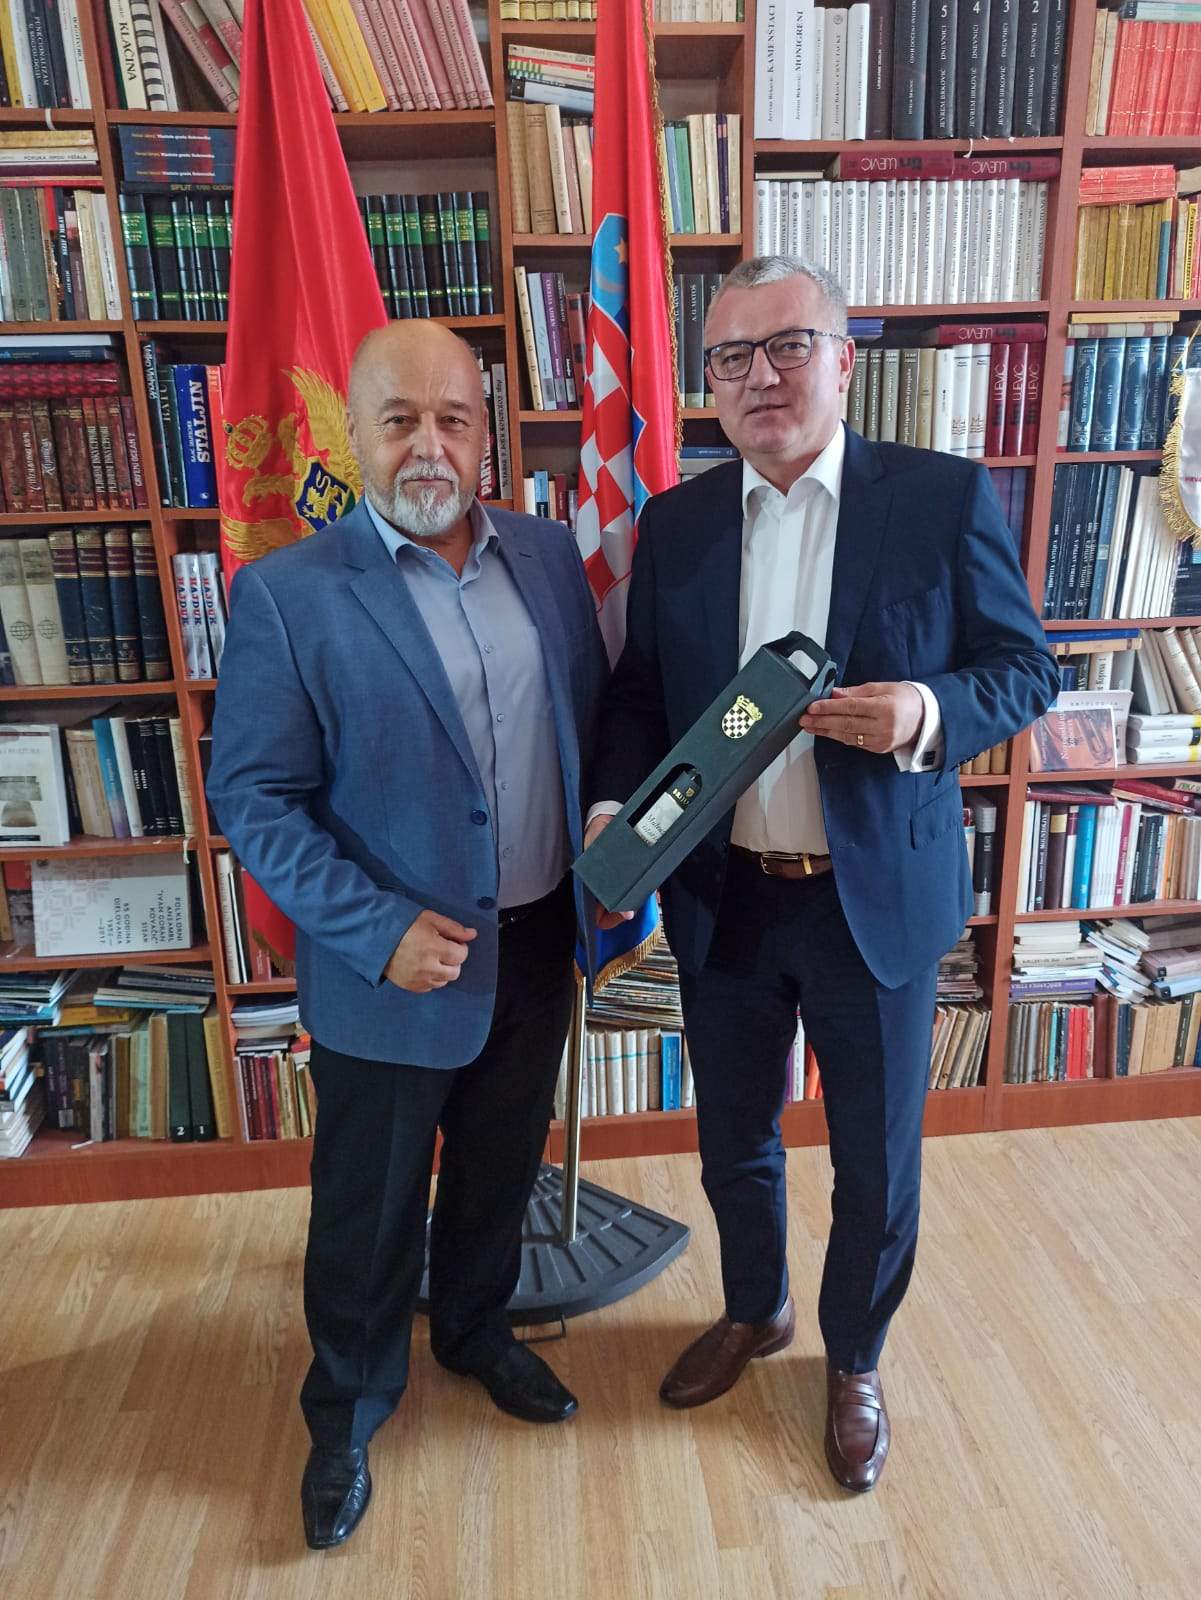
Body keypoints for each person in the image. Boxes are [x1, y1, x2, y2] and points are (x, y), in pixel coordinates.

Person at [585, 257, 1058, 1493]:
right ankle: (756, 1307)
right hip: (726, 896)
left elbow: (1024, 669)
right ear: (709, 384)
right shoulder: (677, 522)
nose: (761, 377)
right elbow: (639, 696)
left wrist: (924, 712)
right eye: (731, 357)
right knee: (733, 1139)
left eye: (788, 345)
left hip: (871, 903)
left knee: (874, 1161)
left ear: (845, 360)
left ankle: (854, 1355)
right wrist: (613, 806)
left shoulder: (940, 499)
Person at [208, 321, 609, 1549]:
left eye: (453, 419)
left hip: (534, 945)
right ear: (354, 434)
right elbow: (254, 800)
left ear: (487, 436)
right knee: (368, 1210)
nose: (429, 444)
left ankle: (477, 1332)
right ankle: (346, 1409)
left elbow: (589, 725)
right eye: (399, 420)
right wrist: (375, 929)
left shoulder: (549, 557)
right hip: (389, 967)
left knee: (499, 1172)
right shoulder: (288, 594)